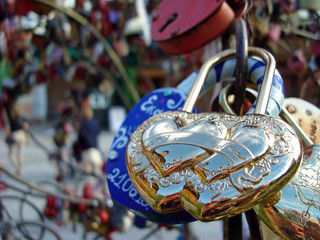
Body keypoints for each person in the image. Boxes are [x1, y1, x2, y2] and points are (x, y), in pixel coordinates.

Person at [3, 101, 29, 175]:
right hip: (22, 134)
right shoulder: (21, 117)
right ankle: (20, 169)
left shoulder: (10, 117)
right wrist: (28, 138)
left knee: (11, 153)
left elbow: (8, 127)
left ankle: (16, 167)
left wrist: (7, 136)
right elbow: (26, 127)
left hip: (14, 135)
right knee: (20, 152)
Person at [76, 106, 102, 177]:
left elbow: (80, 136)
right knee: (99, 172)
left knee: (87, 172)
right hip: (95, 148)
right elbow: (98, 132)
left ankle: (88, 185)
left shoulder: (82, 124)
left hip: (86, 149)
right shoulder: (95, 122)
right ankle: (100, 187)